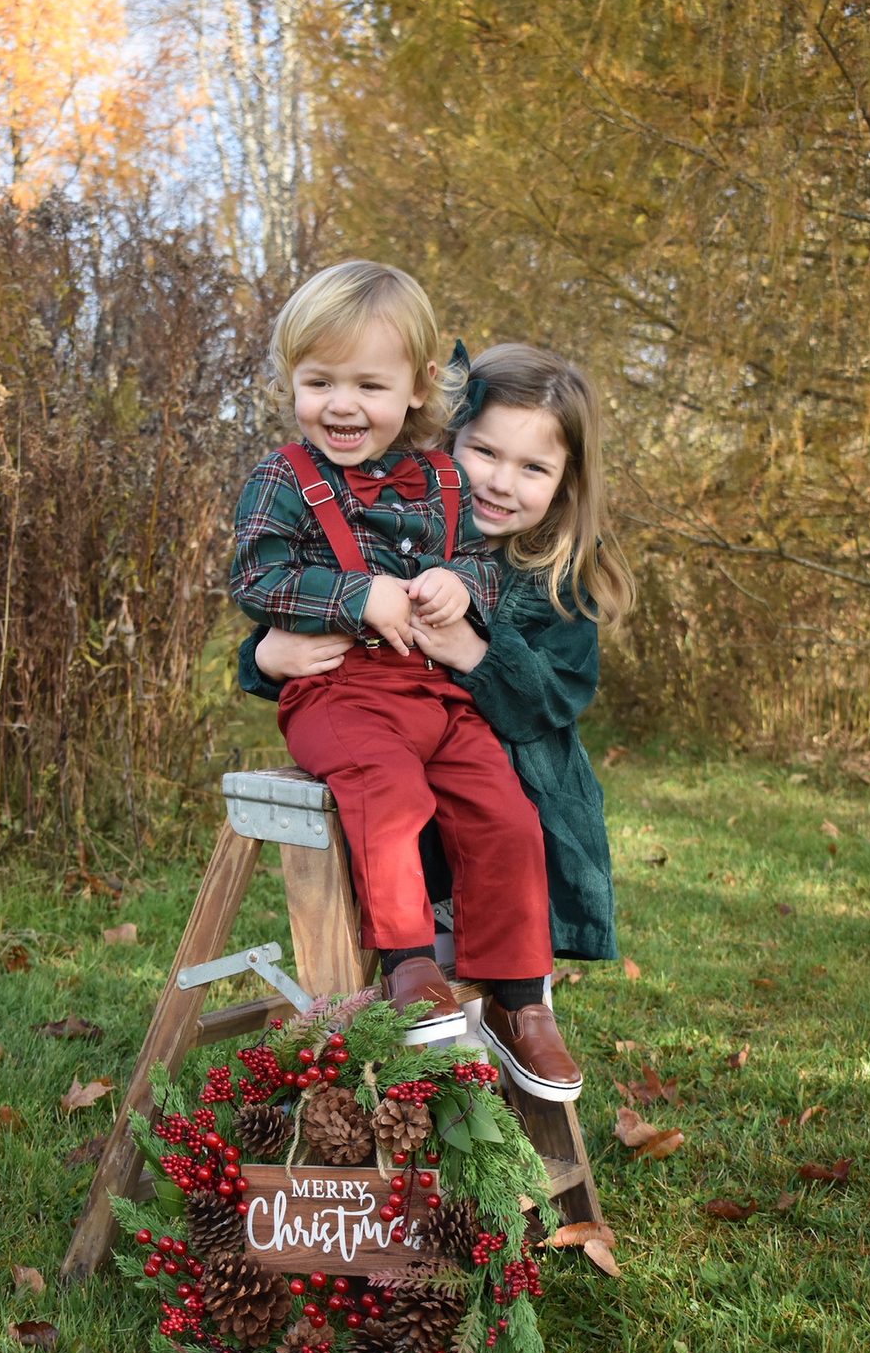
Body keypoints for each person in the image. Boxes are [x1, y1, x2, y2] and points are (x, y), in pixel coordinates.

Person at [239, 337, 635, 1101]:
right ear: (446, 435)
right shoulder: (395, 528)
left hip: (508, 816)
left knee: (496, 968)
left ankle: (519, 1020)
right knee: (427, 1017)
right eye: (482, 451)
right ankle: (404, 1123)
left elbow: (553, 701)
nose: (498, 480)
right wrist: (264, 657)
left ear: (564, 482)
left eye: (532, 467)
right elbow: (321, 643)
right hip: (406, 830)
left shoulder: (556, 578)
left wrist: (472, 651)